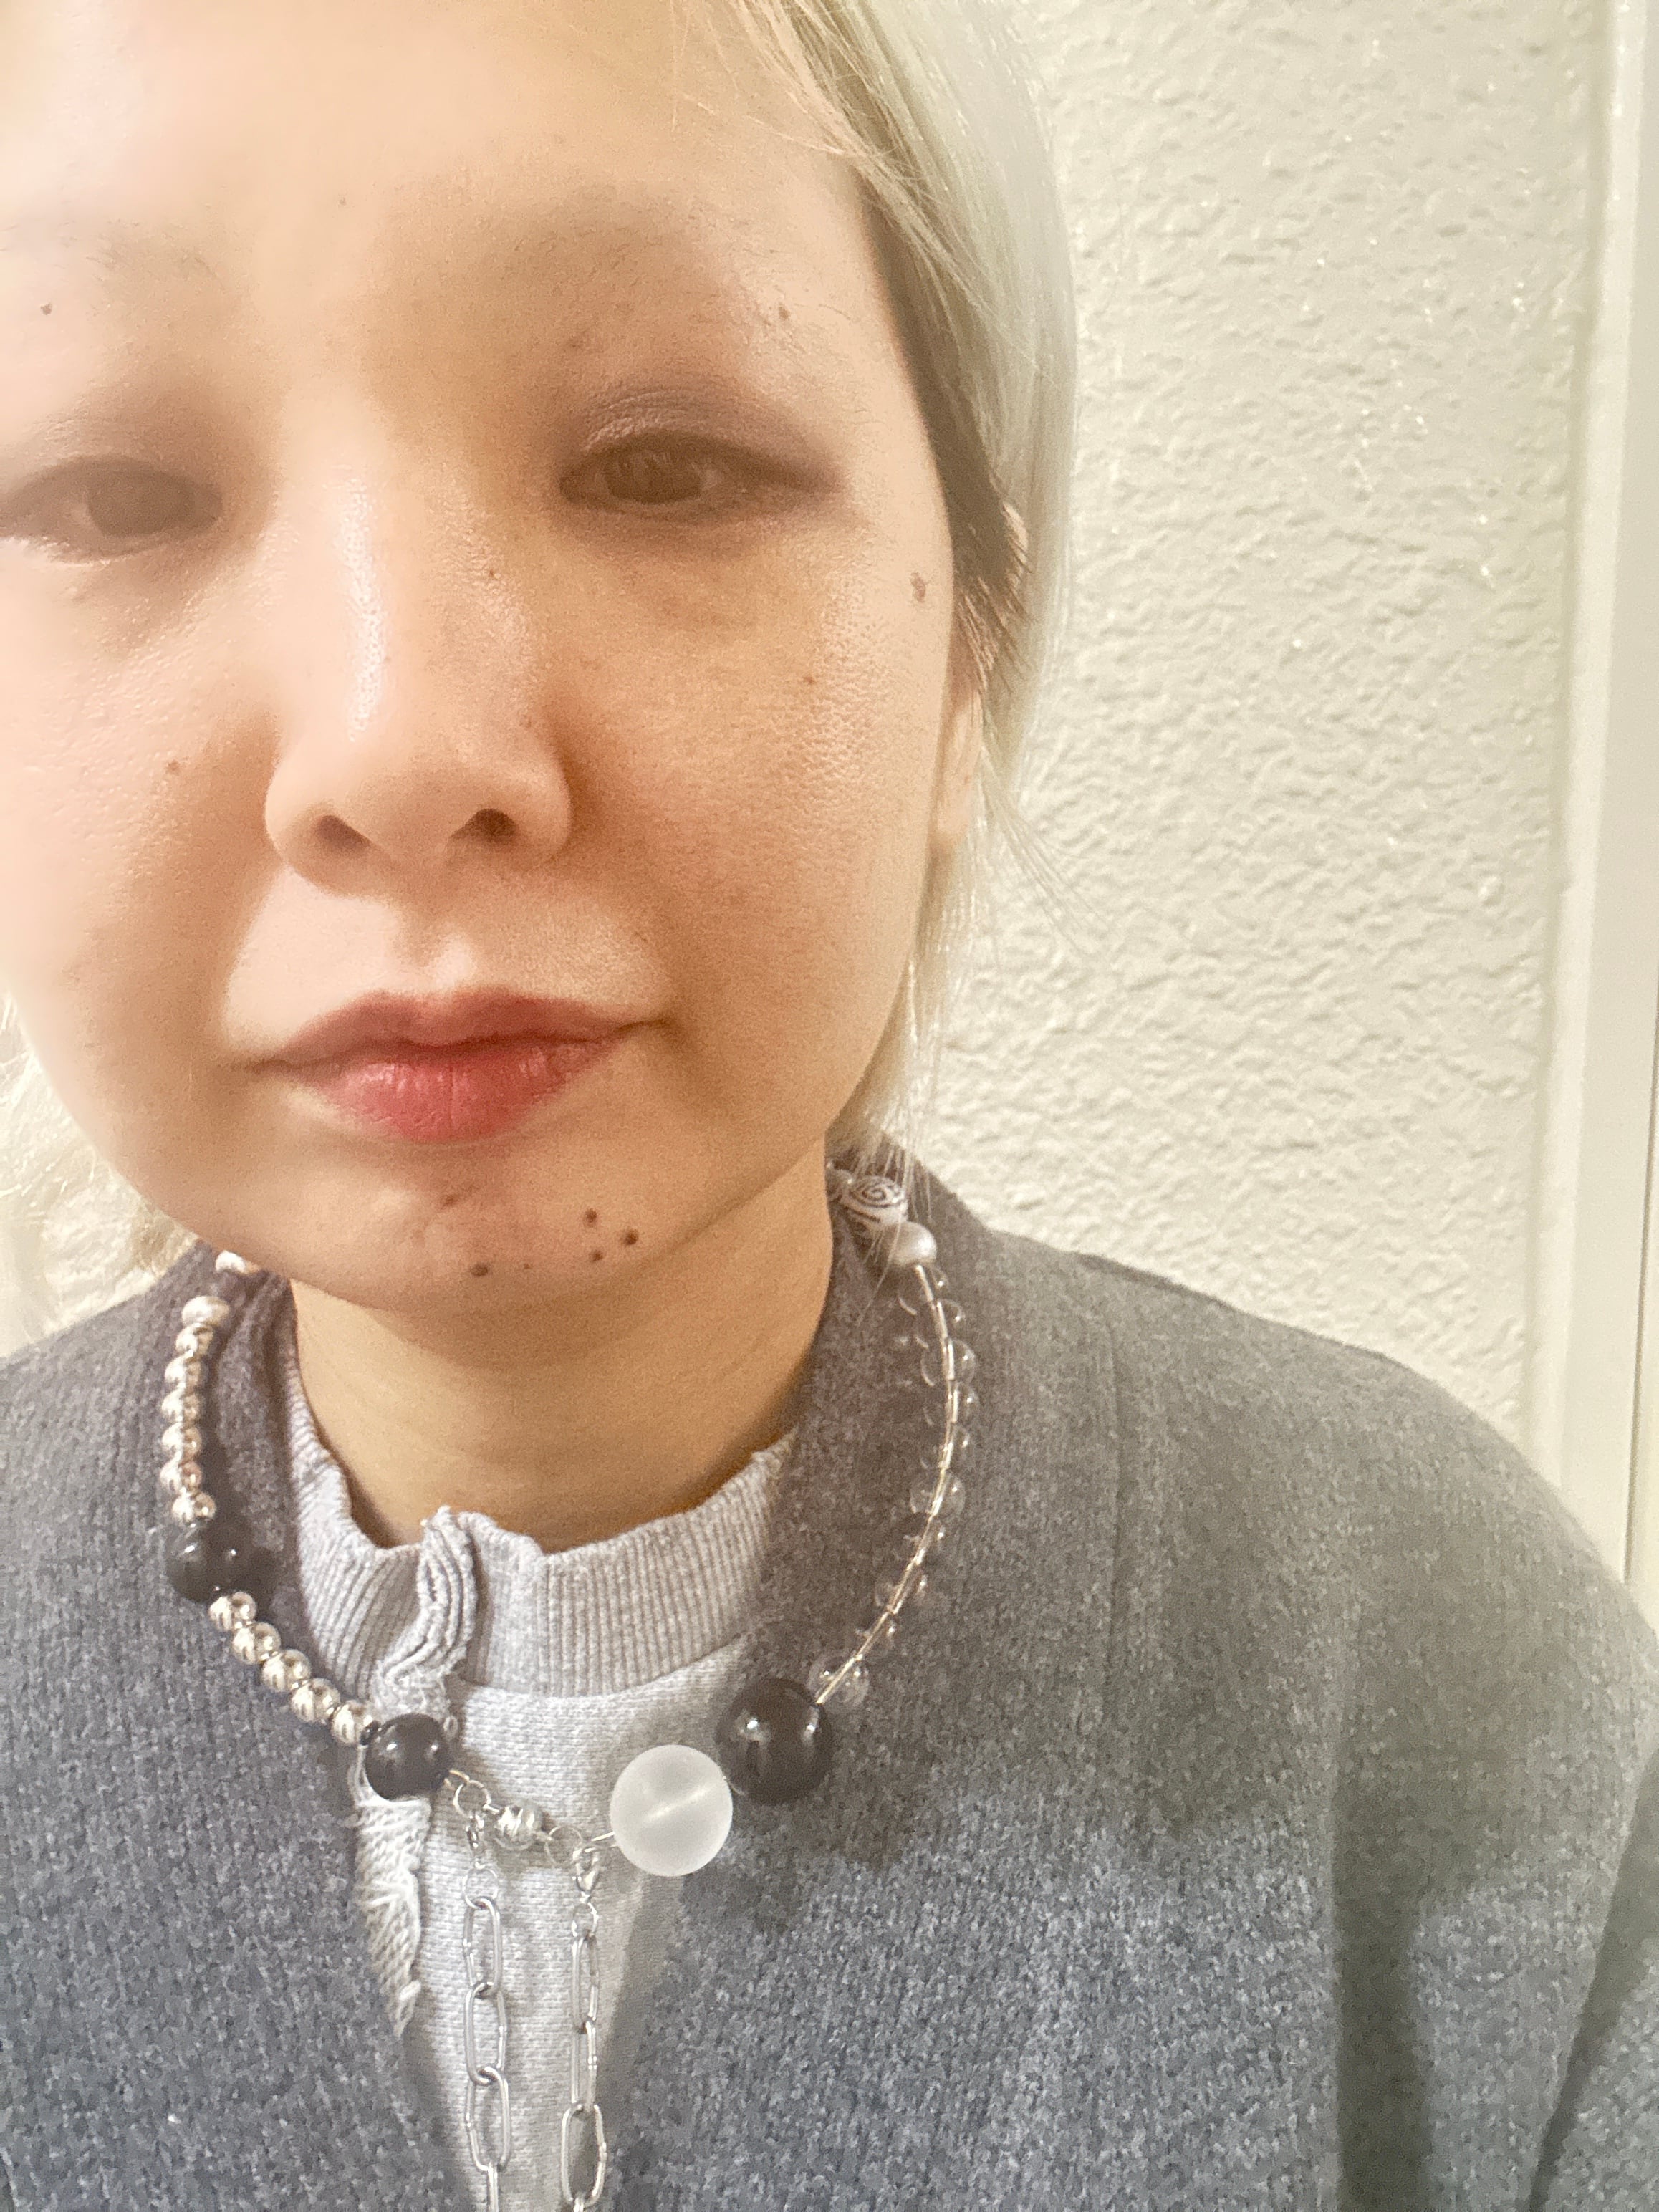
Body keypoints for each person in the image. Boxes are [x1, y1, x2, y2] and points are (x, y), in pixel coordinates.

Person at [0, 0, 1653, 2206]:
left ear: (968, 644)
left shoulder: (1428, 1666)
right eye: (113, 493)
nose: (401, 747)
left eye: (660, 467)